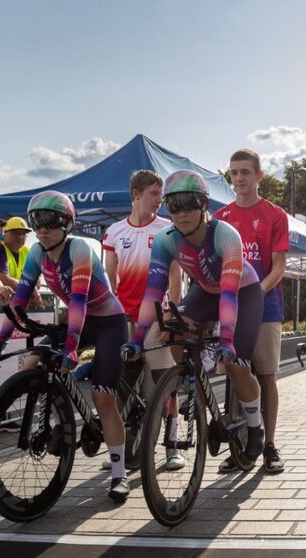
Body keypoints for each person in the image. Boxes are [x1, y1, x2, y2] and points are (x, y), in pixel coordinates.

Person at [0, 192, 133, 502]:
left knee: (104, 398)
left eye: (50, 222)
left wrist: (73, 349)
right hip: (79, 322)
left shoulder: (78, 249)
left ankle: (119, 474)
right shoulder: (37, 252)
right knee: (30, 365)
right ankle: (52, 422)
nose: (42, 229)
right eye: (37, 222)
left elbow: (78, 301)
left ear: (66, 224)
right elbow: (18, 302)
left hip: (108, 323)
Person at [122, 170, 267, 472]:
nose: (182, 212)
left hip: (242, 292)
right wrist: (137, 338)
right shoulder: (165, 239)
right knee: (174, 331)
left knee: (237, 363)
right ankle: (196, 390)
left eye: (189, 204)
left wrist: (226, 340)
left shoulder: (225, 234)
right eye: (174, 205)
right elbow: (153, 292)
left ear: (203, 205)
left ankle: (256, 427)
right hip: (206, 290)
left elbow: (228, 295)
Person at [213, 149, 288, 474]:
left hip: (266, 309)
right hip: (231, 310)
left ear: (259, 176)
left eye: (245, 172)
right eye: (234, 173)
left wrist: (253, 294)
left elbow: (279, 267)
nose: (239, 178)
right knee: (234, 372)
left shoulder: (274, 215)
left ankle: (269, 445)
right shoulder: (220, 218)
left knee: (267, 376)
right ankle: (240, 446)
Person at [102, 169, 182, 470]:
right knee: (120, 385)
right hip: (123, 317)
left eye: (161, 195)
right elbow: (109, 277)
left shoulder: (167, 229)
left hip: (155, 318)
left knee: (164, 381)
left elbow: (175, 274)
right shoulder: (114, 232)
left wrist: (170, 310)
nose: (159, 200)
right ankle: (120, 450)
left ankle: (173, 445)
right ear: (136, 195)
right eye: (153, 194)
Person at [0, 217, 39, 300]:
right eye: (16, 233)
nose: (21, 237)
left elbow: (37, 281)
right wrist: (28, 288)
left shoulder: (27, 251)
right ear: (4, 234)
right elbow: (3, 278)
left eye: (24, 233)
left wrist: (30, 288)